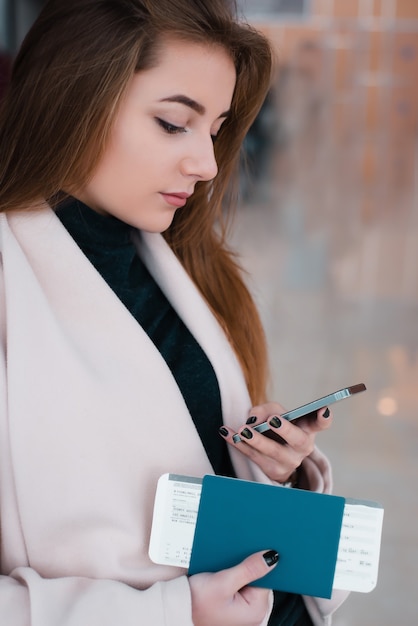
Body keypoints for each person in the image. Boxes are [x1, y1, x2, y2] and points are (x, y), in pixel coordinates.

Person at [0, 1, 348, 624]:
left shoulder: (182, 263)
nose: (207, 165)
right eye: (171, 123)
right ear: (72, 99)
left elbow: (198, 474)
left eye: (213, 130)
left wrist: (278, 471)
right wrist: (171, 613)